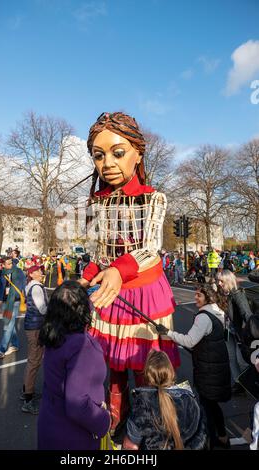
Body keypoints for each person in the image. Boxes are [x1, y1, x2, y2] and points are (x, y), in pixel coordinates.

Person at [79, 112, 179, 435]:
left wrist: (118, 271)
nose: (107, 162)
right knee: (114, 368)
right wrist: (81, 282)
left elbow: (150, 249)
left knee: (144, 368)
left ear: (138, 153)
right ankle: (116, 420)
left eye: (117, 152)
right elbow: (99, 254)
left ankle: (151, 426)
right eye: (99, 154)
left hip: (144, 295)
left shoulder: (152, 199)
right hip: (111, 294)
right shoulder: (95, 204)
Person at [156, 284, 231, 449]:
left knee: (206, 408)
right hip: (217, 364)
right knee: (212, 404)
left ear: (208, 298)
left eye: (199, 295)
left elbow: (189, 341)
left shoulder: (203, 317)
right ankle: (224, 437)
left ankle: (211, 442)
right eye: (195, 294)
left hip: (208, 368)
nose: (195, 298)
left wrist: (167, 332)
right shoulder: (218, 311)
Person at [37, 281, 110, 450]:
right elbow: (78, 404)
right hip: (74, 435)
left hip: (50, 421)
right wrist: (104, 421)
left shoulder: (53, 335)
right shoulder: (83, 346)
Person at [122, 350, 207, 450]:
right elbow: (201, 435)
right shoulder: (189, 399)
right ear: (171, 372)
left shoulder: (142, 405)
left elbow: (130, 446)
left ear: (146, 375)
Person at [216, 270, 252, 392]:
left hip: (239, 332)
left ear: (228, 280)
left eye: (221, 281)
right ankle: (239, 384)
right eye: (218, 281)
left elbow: (247, 314)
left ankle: (251, 384)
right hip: (228, 330)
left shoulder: (237, 294)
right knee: (231, 358)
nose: (219, 283)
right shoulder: (222, 294)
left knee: (242, 360)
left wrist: (253, 332)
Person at [21, 265, 48, 415]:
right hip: (36, 327)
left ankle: (27, 390)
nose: (41, 273)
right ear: (32, 274)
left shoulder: (31, 285)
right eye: (38, 271)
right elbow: (43, 309)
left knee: (33, 360)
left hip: (32, 325)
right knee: (34, 361)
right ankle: (28, 400)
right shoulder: (36, 287)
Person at [0, 257, 26, 360]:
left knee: (8, 325)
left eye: (11, 263)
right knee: (9, 323)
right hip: (4, 301)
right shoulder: (0, 273)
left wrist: (26, 298)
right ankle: (15, 344)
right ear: (3, 265)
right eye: (8, 264)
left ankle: (1, 350)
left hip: (15, 301)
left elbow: (24, 285)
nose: (10, 265)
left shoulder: (18, 272)